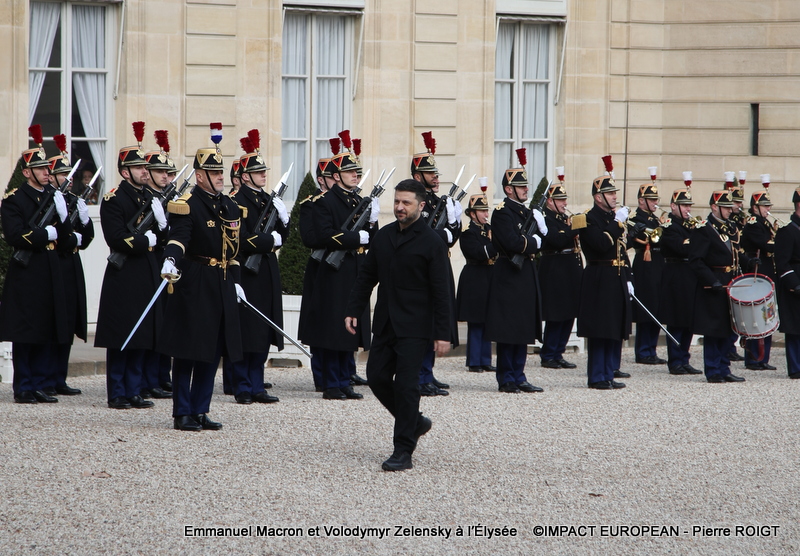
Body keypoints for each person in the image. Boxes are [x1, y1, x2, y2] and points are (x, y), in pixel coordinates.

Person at [345, 179, 451, 471]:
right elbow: (367, 276)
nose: (400, 207)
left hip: (416, 327)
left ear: (421, 205)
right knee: (376, 377)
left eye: (406, 202)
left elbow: (443, 291)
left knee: (406, 386)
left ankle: (403, 450)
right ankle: (415, 422)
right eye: (397, 202)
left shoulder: (432, 242)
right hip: (386, 323)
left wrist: (443, 332)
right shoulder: (384, 236)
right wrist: (354, 309)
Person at [158, 124, 244, 431]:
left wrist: (236, 281)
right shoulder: (188, 204)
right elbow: (179, 237)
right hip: (194, 280)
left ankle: (200, 408)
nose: (220, 176)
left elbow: (234, 249)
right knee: (188, 349)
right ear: (199, 176)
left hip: (220, 281)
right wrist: (170, 258)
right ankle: (182, 410)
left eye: (220, 171)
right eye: (213, 172)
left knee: (212, 349)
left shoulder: (229, 204)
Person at [95, 121, 165, 410]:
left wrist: (162, 225)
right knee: (121, 334)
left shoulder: (151, 197)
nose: (144, 171)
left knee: (141, 333)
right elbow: (116, 238)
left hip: (146, 273)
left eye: (144, 168)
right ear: (125, 172)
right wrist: (145, 241)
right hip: (124, 274)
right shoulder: (114, 199)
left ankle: (134, 389)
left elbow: (164, 238)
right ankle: (117, 391)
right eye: (138, 168)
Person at [0, 126, 72, 403]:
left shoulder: (52, 197)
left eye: (47, 169)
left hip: (49, 268)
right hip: (28, 271)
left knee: (46, 326)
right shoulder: (14, 200)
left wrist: (64, 219)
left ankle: (40, 382)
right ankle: (24, 386)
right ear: (27, 171)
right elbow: (15, 235)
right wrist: (45, 234)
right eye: (40, 169)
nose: (46, 173)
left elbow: (65, 239)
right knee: (26, 330)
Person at [307, 147, 375, 400]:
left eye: (356, 171)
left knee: (352, 325)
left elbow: (371, 237)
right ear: (336, 176)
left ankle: (346, 379)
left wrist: (373, 223)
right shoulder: (325, 202)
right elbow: (324, 235)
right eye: (349, 171)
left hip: (355, 268)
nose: (355, 175)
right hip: (335, 272)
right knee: (336, 326)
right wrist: (356, 236)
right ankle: (332, 383)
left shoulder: (358, 201)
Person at [229, 130, 286, 405]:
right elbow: (239, 239)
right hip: (246, 272)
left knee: (263, 330)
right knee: (246, 331)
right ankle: (242, 386)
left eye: (264, 171)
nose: (263, 175)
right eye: (258, 172)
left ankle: (257, 384)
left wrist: (283, 222)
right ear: (244, 177)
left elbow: (281, 236)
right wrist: (268, 240)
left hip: (266, 272)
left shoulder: (267, 201)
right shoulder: (236, 202)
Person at [484, 148, 545, 394]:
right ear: (509, 189)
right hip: (509, 273)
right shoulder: (502, 213)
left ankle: (519, 375)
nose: (525, 189)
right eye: (520, 187)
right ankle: (506, 378)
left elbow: (541, 238)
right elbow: (511, 242)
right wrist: (534, 242)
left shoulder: (527, 212)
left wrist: (541, 233)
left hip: (526, 272)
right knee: (508, 328)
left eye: (526, 186)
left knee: (522, 326)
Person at [41, 135, 95, 397]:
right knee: (56, 321)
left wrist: (84, 224)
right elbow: (60, 237)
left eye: (69, 174)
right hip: (56, 263)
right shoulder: (50, 200)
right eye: (63, 174)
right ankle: (48, 377)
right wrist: (72, 236)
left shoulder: (72, 199)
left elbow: (87, 237)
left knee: (70, 318)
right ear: (52, 176)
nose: (69, 178)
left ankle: (59, 377)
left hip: (72, 262)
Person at [689, 190, 757, 383]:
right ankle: (713, 370)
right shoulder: (704, 229)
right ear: (714, 207)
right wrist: (711, 281)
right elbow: (696, 261)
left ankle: (724, 367)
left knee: (729, 328)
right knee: (714, 329)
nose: (729, 210)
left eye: (730, 207)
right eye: (725, 207)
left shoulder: (730, 227)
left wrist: (749, 262)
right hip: (715, 283)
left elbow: (735, 253)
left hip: (731, 282)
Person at [411, 131, 459, 396]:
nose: (436, 177)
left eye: (436, 173)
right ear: (418, 176)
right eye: (431, 174)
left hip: (440, 265)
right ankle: (419, 376)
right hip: (421, 270)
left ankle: (428, 373)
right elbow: (422, 234)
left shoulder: (440, 202)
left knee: (437, 319)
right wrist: (444, 234)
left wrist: (456, 225)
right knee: (423, 322)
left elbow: (451, 237)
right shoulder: (415, 201)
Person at [576, 164, 632, 390]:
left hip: (616, 276)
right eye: (610, 193)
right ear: (598, 197)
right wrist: (617, 222)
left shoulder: (612, 218)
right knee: (600, 328)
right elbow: (599, 245)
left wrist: (629, 278)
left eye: (615, 193)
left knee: (614, 327)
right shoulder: (587, 219)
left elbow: (622, 251)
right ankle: (597, 375)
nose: (614, 197)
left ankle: (609, 372)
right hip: (599, 277)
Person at [137, 132, 177, 400]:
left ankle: (163, 375)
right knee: (153, 324)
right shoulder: (145, 198)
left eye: (168, 172)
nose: (166, 176)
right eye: (160, 172)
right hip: (151, 262)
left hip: (168, 264)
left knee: (167, 323)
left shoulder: (168, 197)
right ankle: (149, 379)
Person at [538, 181, 583, 370]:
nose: (564, 203)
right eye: (559, 199)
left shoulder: (564, 217)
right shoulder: (545, 218)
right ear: (550, 201)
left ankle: (559, 352)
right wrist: (576, 228)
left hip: (569, 268)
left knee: (569, 313)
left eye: (564, 199)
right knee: (556, 314)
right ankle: (549, 354)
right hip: (555, 268)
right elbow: (556, 239)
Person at [658, 189, 702, 375]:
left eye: (689, 205)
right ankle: (675, 360)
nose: (687, 209)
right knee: (676, 321)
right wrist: (697, 239)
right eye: (684, 205)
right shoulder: (669, 226)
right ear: (673, 206)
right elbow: (681, 248)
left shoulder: (690, 226)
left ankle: (684, 358)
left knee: (688, 320)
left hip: (689, 275)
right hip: (675, 274)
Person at [456, 191, 497, 372]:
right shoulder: (468, 232)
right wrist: (496, 243)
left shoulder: (489, 229)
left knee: (488, 319)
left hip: (489, 275)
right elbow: (477, 253)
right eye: (482, 211)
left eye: (486, 210)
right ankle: (474, 361)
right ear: (472, 214)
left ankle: (485, 359)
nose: (486, 214)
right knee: (476, 321)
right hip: (475, 276)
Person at [628, 183, 667, 365]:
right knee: (647, 306)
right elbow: (643, 238)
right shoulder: (636, 218)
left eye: (655, 199)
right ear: (641, 201)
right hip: (645, 263)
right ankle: (643, 351)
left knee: (657, 305)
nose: (655, 202)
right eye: (651, 199)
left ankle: (651, 349)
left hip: (658, 262)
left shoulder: (655, 218)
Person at [740, 187, 777, 370]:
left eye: (768, 205)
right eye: (763, 206)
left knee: (766, 314)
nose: (766, 209)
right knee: (754, 315)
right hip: (757, 268)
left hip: (767, 268)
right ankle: (753, 357)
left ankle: (763, 358)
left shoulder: (765, 223)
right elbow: (764, 244)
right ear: (755, 208)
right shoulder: (754, 223)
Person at [774, 186, 800, 380]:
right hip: (794, 285)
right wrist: (795, 284)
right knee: (795, 329)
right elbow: (782, 262)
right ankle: (795, 367)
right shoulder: (787, 230)